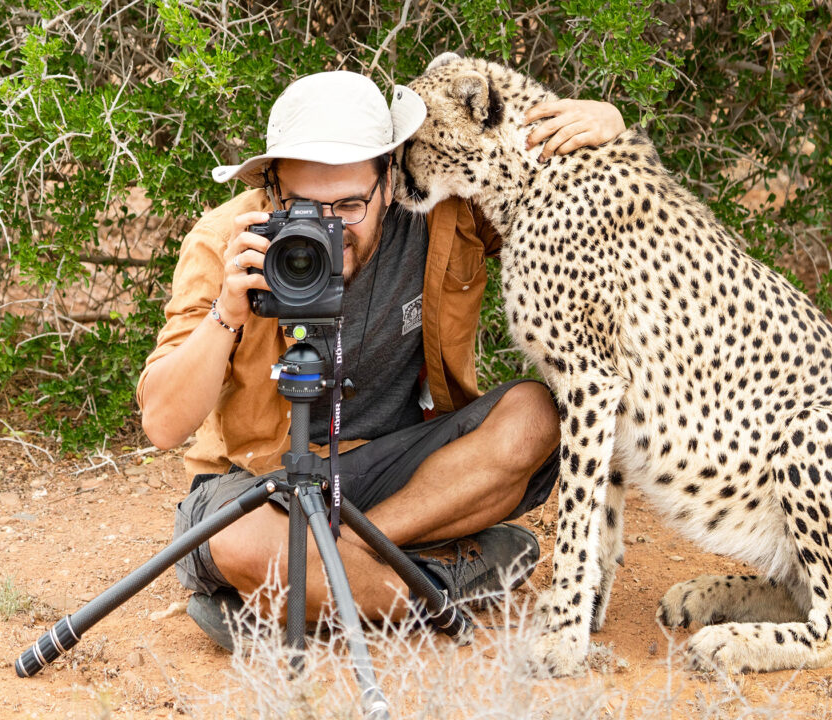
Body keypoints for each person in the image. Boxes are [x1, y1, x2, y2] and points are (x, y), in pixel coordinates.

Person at [136, 70, 625, 649]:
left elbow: (552, 197)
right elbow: (163, 424)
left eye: (349, 204)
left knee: (538, 415)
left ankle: (312, 585)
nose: (329, 227)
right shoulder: (227, 239)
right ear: (271, 190)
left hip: (398, 474)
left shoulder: (440, 214)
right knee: (239, 540)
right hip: (264, 482)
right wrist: (226, 312)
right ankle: (438, 581)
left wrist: (606, 132)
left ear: (389, 181)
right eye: (303, 206)